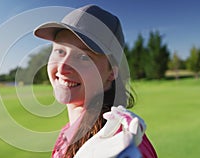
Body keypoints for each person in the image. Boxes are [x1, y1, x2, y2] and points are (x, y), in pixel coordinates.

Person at [34, 4, 157, 158]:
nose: (62, 67)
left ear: (111, 72)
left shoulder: (123, 142)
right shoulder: (67, 132)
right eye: (60, 51)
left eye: (83, 57)